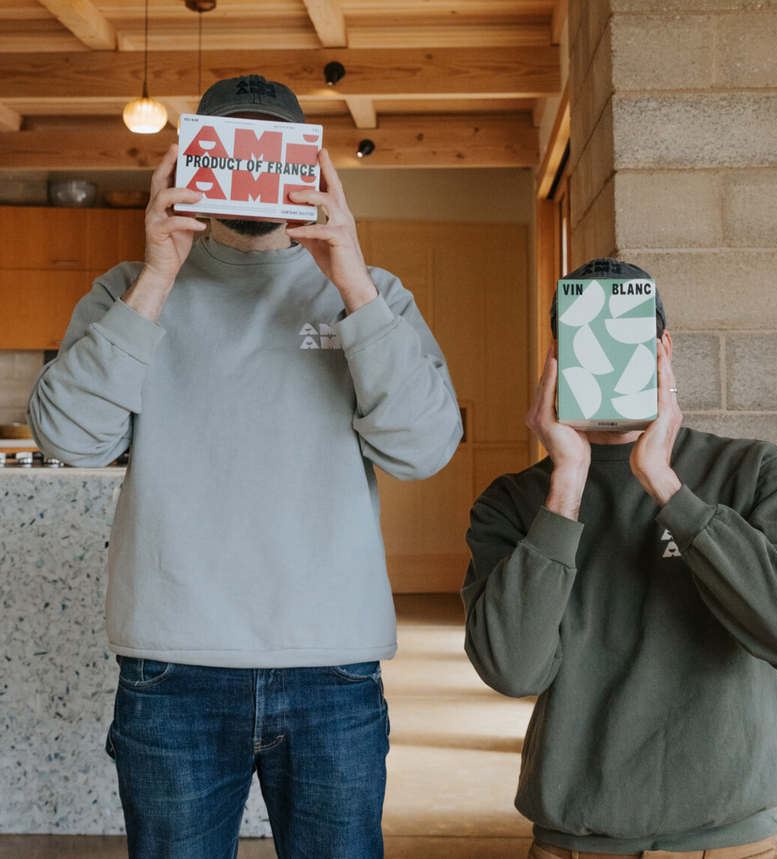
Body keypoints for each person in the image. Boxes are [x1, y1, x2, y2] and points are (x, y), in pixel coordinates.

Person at [27, 74, 462, 859]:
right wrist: (158, 271)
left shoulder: (372, 296)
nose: (253, 170)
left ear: (311, 167)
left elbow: (424, 446)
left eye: (274, 152)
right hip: (172, 670)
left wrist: (351, 278)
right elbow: (69, 437)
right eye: (230, 150)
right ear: (191, 164)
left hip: (332, 668)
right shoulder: (129, 291)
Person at [462, 257, 777, 859]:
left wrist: (667, 486)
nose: (609, 355)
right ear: (557, 357)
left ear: (662, 348)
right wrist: (568, 486)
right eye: (587, 338)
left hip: (728, 843)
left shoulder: (752, 472)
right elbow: (514, 670)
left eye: (629, 337)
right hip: (576, 844)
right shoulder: (514, 502)